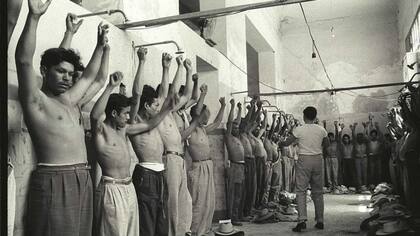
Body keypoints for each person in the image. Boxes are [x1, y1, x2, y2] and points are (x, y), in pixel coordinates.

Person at [15, 0, 110, 234]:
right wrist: (34, 17)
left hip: (83, 177)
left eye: (70, 74)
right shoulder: (36, 101)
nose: (68, 78)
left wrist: (99, 46)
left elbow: (88, 77)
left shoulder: (69, 101)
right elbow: (24, 61)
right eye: (61, 72)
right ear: (45, 72)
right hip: (54, 179)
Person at [128, 49, 178, 235]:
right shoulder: (135, 122)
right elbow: (136, 96)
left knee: (161, 221)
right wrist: (142, 61)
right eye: (155, 105)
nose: (159, 107)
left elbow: (163, 94)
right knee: (147, 224)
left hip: (160, 174)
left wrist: (166, 68)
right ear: (146, 106)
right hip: (146, 175)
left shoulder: (153, 120)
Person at [157, 55, 194, 236]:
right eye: (172, 98)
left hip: (179, 159)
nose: (176, 99)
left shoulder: (172, 114)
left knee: (184, 200)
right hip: (169, 158)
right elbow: (168, 93)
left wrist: (187, 70)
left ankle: (183, 231)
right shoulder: (161, 113)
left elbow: (187, 94)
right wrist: (169, 68)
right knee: (171, 203)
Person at [181, 89, 226, 236]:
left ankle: (205, 229)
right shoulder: (191, 130)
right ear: (199, 115)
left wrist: (224, 106)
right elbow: (197, 111)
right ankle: (194, 231)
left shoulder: (203, 130)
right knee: (198, 201)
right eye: (206, 114)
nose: (208, 116)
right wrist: (204, 94)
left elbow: (218, 122)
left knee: (209, 201)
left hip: (208, 166)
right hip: (197, 168)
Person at [279, 106, 329, 232]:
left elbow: (287, 142)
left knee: (301, 190)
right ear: (315, 116)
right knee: (318, 191)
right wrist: (317, 148)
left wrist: (280, 142)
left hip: (304, 160)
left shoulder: (299, 130)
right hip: (317, 159)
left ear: (304, 116)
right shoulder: (321, 129)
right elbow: (327, 144)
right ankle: (320, 220)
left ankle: (302, 220)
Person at [224, 100, 245, 226]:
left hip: (241, 167)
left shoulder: (238, 138)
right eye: (234, 127)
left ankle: (236, 216)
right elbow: (231, 122)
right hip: (235, 167)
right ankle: (231, 217)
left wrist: (240, 109)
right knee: (233, 194)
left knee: (239, 194)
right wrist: (232, 107)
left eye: (238, 127)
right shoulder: (229, 137)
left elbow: (237, 122)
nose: (237, 128)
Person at [366, 120, 384, 188]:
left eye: (374, 135)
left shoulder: (379, 141)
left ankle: (378, 185)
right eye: (372, 135)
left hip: (378, 157)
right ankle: (372, 185)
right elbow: (366, 134)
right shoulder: (369, 141)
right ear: (371, 136)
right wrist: (367, 125)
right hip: (371, 157)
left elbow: (381, 135)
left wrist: (377, 127)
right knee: (372, 172)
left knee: (379, 171)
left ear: (376, 135)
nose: (373, 136)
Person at [350, 123, 369, 193]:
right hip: (357, 159)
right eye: (359, 137)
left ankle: (365, 186)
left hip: (364, 158)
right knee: (358, 173)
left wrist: (365, 128)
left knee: (365, 172)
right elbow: (354, 136)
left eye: (361, 137)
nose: (360, 138)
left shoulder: (365, 142)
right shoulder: (355, 143)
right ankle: (360, 186)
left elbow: (365, 136)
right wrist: (353, 128)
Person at [323, 121, 340, 193]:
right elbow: (324, 134)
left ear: (333, 137)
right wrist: (324, 125)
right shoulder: (326, 143)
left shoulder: (335, 142)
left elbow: (337, 134)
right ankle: (330, 186)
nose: (330, 138)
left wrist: (336, 126)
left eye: (331, 137)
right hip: (327, 158)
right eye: (329, 137)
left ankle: (335, 186)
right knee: (328, 173)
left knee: (335, 173)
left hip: (334, 158)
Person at [337, 123, 354, 188]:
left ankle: (351, 186)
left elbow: (354, 137)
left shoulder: (351, 144)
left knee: (351, 173)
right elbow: (339, 138)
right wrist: (341, 129)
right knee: (345, 173)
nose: (346, 140)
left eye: (347, 138)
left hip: (350, 160)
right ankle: (346, 186)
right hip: (344, 160)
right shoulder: (342, 145)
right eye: (344, 139)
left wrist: (352, 130)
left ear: (349, 139)